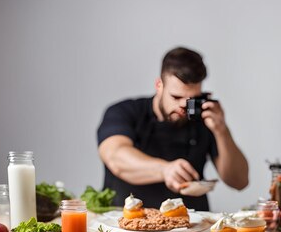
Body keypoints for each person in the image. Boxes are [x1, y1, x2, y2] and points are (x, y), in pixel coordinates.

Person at [97, 46, 249, 213]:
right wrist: (165, 170)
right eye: (176, 97)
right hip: (127, 227)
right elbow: (115, 157)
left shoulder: (203, 119)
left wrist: (222, 131)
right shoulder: (125, 112)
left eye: (192, 99)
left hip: (190, 229)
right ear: (159, 85)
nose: (184, 106)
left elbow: (239, 181)